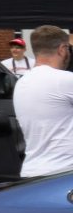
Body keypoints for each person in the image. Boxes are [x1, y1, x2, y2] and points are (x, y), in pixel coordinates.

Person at [17, 25, 73, 179]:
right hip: (63, 173)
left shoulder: (21, 83)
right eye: (68, 49)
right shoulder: (64, 80)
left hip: (31, 172)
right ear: (62, 49)